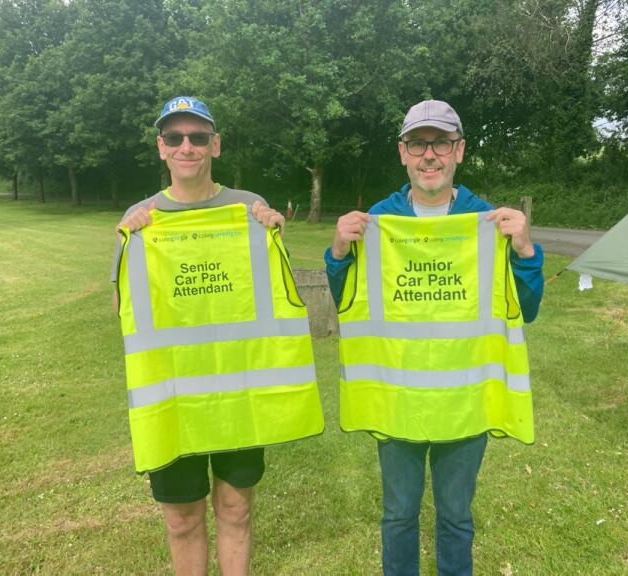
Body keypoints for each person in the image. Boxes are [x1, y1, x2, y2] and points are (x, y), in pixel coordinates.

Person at [325, 99, 544, 575]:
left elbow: (523, 307)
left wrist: (525, 250)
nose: (429, 155)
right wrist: (339, 251)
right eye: (418, 144)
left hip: (465, 404)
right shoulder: (377, 220)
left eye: (440, 142)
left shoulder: (488, 221)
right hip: (398, 401)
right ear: (403, 153)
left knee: (456, 518)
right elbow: (347, 302)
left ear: (459, 151)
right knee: (399, 516)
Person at [111, 96, 286, 576]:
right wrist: (132, 250)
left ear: (216, 145)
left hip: (237, 392)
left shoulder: (249, 210)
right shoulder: (139, 219)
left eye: (198, 137)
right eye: (175, 138)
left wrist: (273, 235)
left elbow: (273, 297)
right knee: (182, 521)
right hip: (173, 398)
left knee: (236, 510)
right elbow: (122, 312)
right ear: (161, 148)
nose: (187, 146)